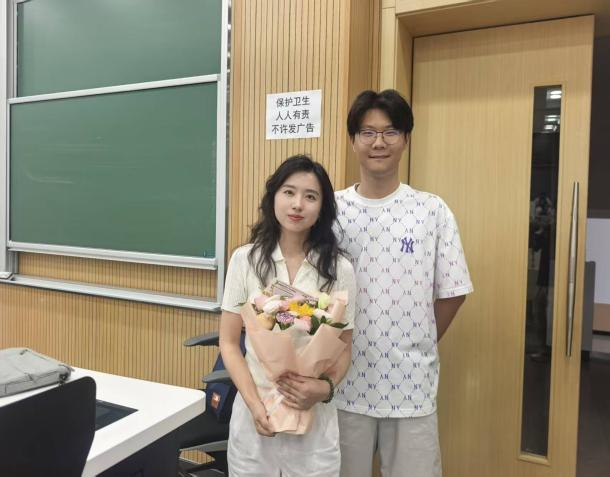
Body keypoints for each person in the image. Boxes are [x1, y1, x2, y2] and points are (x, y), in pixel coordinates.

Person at [334, 90, 474, 477]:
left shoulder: (432, 211)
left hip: (410, 386)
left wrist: (418, 338)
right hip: (342, 383)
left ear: (406, 139)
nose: (378, 142)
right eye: (367, 132)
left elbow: (453, 292)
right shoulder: (332, 211)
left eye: (390, 131)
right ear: (353, 140)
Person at [219, 154, 356, 477]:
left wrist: (324, 389)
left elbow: (345, 347)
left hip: (314, 422)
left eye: (310, 196)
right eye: (289, 192)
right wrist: (254, 404)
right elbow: (228, 342)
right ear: (273, 197)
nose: (297, 204)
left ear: (322, 208)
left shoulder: (339, 269)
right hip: (255, 415)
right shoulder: (245, 260)